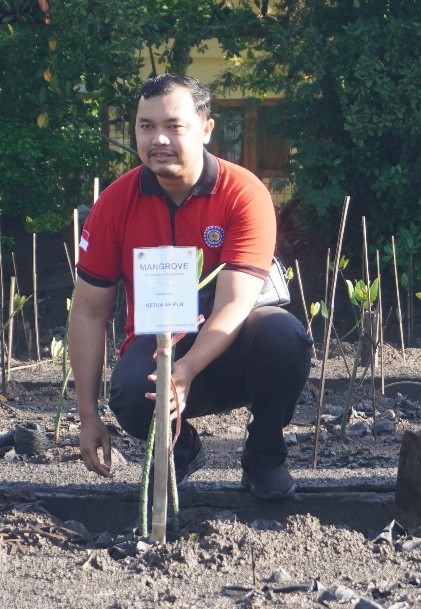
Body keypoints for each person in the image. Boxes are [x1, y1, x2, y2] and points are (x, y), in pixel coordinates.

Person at [70, 74, 312, 500]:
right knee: (129, 391)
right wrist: (88, 416)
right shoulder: (115, 203)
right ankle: (182, 451)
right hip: (162, 336)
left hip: (236, 341)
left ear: (205, 128)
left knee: (283, 336)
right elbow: (89, 311)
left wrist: (186, 370)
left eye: (173, 126)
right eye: (146, 126)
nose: (158, 139)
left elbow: (236, 303)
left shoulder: (242, 194)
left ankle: (264, 455)